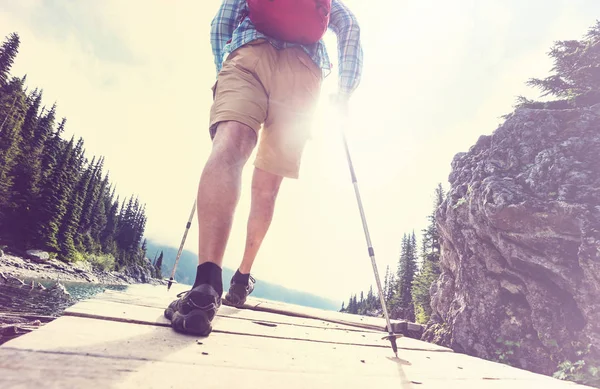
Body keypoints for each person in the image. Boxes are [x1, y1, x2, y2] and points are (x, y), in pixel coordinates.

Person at [164, 0, 363, 336]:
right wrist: (344, 91)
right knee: (267, 187)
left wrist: (224, 67)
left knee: (229, 148)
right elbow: (349, 27)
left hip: (249, 56)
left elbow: (222, 20)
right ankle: (242, 277)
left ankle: (206, 286)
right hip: (304, 73)